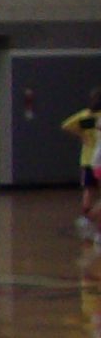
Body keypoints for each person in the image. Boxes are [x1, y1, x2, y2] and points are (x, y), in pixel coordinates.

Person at [64, 89, 101, 235]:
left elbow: (67, 125)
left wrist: (81, 135)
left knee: (88, 191)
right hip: (98, 160)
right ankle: (90, 221)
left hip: (89, 159)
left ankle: (88, 220)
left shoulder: (87, 117)